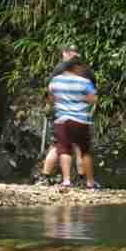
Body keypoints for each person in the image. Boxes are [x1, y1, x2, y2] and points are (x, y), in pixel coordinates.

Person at [46, 52, 100, 189]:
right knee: (84, 151)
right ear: (76, 68)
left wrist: (60, 102)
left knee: (64, 150)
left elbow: (51, 98)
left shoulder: (55, 80)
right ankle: (89, 182)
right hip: (81, 120)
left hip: (62, 119)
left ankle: (66, 181)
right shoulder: (85, 81)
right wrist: (81, 100)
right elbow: (93, 99)